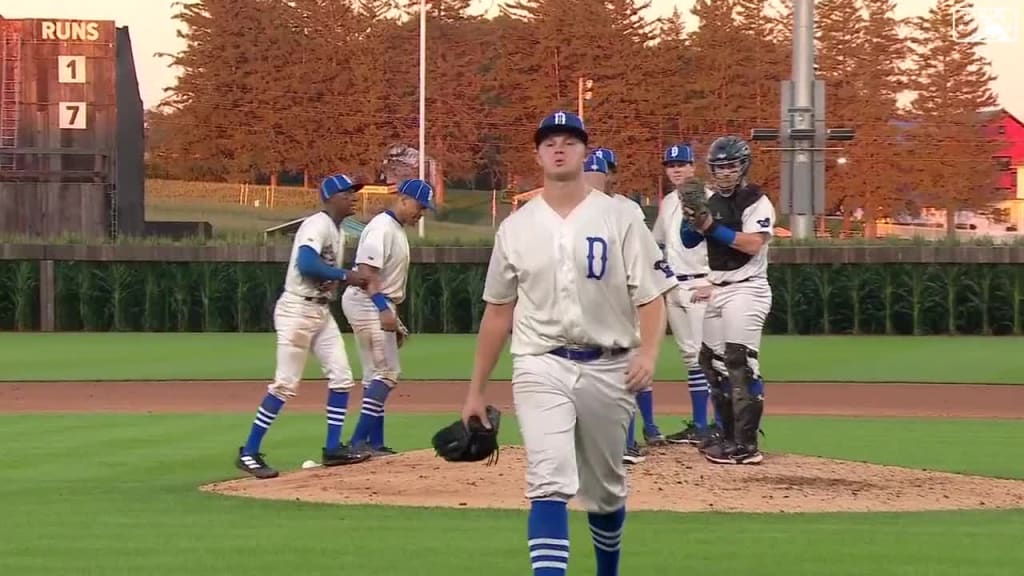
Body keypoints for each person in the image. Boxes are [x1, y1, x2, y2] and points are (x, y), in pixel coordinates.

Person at [460, 110, 676, 576]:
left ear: (584, 152)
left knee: (605, 489)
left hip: (609, 366)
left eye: (569, 141)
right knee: (548, 479)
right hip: (541, 364)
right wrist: (476, 390)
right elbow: (498, 311)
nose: (559, 147)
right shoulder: (515, 228)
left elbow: (653, 295)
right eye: (550, 141)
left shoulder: (620, 217)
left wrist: (650, 352)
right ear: (537, 154)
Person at [235, 174, 373, 479]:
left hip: (320, 311)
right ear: (331, 197)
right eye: (347, 192)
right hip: (297, 309)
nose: (353, 197)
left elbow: (322, 272)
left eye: (354, 192)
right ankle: (248, 451)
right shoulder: (317, 224)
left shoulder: (338, 230)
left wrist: (342, 275)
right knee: (285, 384)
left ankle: (333, 448)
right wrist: (346, 275)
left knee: (342, 377)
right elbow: (307, 265)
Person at [680, 135, 774, 465]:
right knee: (712, 361)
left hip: (748, 287)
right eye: (719, 167)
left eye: (731, 166)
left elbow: (752, 244)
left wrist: (710, 225)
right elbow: (689, 240)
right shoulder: (712, 200)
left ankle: (747, 445)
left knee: (740, 361)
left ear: (743, 166)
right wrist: (690, 215)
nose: (724, 173)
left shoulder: (756, 200)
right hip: (719, 287)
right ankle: (728, 434)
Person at [342, 178, 434, 458]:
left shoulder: (394, 228)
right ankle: (358, 442)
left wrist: (392, 315)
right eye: (420, 206)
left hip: (376, 302)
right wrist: (384, 309)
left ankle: (374, 443)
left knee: (375, 375)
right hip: (367, 302)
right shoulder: (381, 228)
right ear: (404, 199)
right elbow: (366, 273)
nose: (422, 213)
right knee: (387, 372)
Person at [584, 150, 664, 461]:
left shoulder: (627, 210)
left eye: (602, 172)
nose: (598, 178)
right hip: (593, 300)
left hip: (626, 296)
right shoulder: (573, 212)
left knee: (626, 364)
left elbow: (646, 258)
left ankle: (628, 441)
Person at [653, 143, 719, 446]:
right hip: (675, 286)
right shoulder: (668, 202)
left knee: (711, 355)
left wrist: (714, 283)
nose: (676, 169)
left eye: (682, 163)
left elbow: (723, 246)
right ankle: (700, 425)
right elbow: (657, 243)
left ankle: (720, 425)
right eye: (671, 164)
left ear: (694, 166)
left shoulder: (711, 199)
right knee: (690, 356)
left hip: (702, 284)